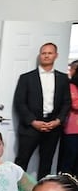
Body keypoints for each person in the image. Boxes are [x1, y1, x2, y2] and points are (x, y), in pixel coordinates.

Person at [13, 42, 71, 179]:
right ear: (40, 55)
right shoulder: (26, 77)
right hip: (30, 126)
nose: (46, 56)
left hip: (53, 126)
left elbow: (66, 102)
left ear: (56, 56)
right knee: (22, 161)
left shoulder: (63, 78)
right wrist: (33, 121)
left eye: (49, 53)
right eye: (43, 53)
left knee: (46, 163)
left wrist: (58, 121)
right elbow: (19, 102)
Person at [57, 60, 78, 174]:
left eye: (71, 69)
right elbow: (75, 104)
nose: (70, 71)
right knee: (70, 157)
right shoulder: (71, 86)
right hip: (72, 130)